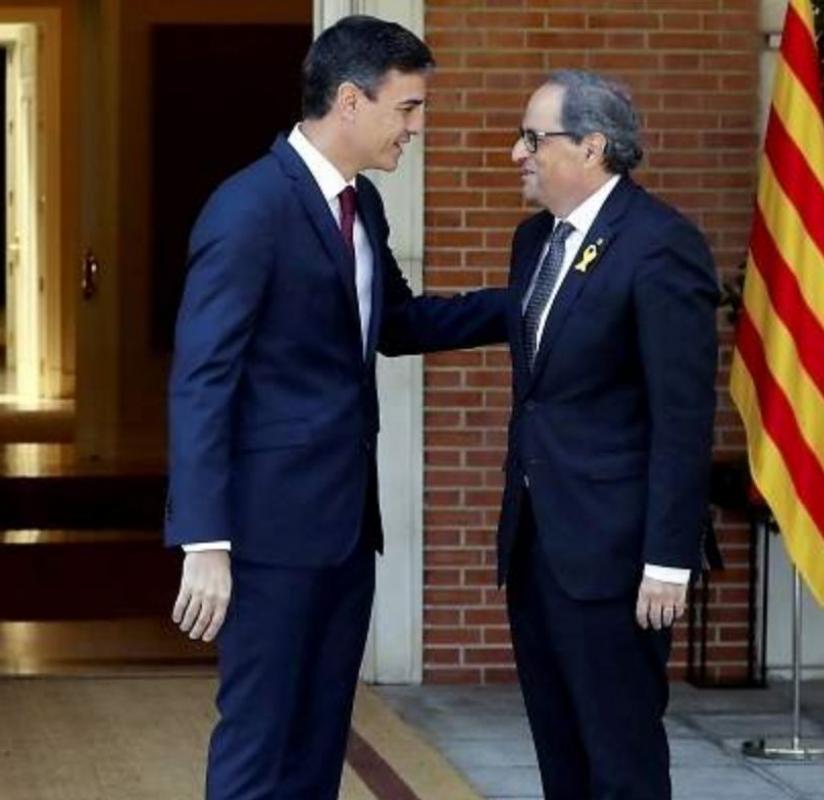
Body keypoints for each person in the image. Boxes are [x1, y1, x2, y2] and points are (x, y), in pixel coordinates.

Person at [165, 16, 504, 798]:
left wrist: (527, 305)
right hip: (268, 534)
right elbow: (203, 379)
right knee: (259, 741)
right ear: (351, 100)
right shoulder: (249, 208)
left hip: (347, 530)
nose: (416, 127)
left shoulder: (364, 206)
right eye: (407, 108)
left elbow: (398, 324)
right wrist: (204, 541)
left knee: (319, 743)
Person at [495, 70, 719, 799]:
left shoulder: (660, 245)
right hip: (537, 545)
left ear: (591, 147)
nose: (517, 153)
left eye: (533, 138)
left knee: (621, 761)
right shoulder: (534, 240)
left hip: (617, 558)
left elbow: (682, 418)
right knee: (560, 756)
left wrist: (668, 559)